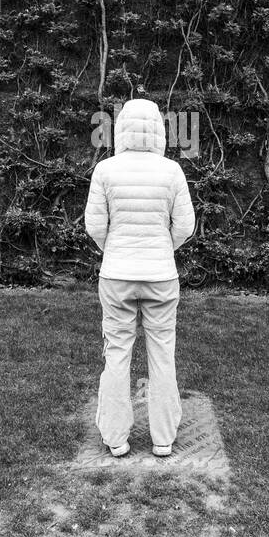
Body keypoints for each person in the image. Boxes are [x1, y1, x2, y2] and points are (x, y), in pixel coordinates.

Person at [83, 98, 195, 458]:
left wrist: (113, 251)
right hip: (161, 276)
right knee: (163, 354)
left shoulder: (105, 170)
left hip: (116, 276)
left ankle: (116, 439)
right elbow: (186, 227)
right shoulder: (172, 171)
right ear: (159, 130)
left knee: (116, 354)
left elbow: (95, 227)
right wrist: (164, 248)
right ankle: (163, 439)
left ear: (122, 129)